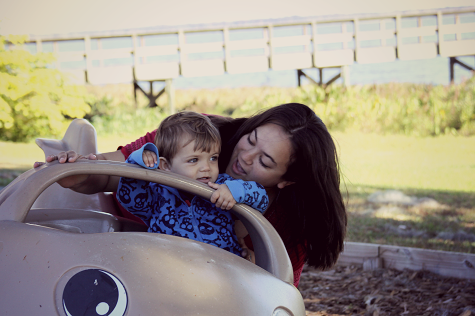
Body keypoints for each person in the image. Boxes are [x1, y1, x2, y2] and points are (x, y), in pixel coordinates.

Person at [35, 103, 347, 287]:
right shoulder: (197, 136)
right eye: (251, 139)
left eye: (265, 161)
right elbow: (106, 173)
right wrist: (75, 172)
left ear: (287, 181)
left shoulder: (290, 222)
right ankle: (76, 139)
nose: (245, 157)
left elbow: (277, 292)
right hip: (139, 239)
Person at [117, 111, 268, 256]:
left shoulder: (222, 185)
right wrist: (137, 161)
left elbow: (261, 198)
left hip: (221, 267)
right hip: (170, 268)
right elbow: (129, 198)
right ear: (165, 166)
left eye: (213, 158)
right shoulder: (157, 193)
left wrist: (236, 191)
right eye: (194, 160)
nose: (206, 168)